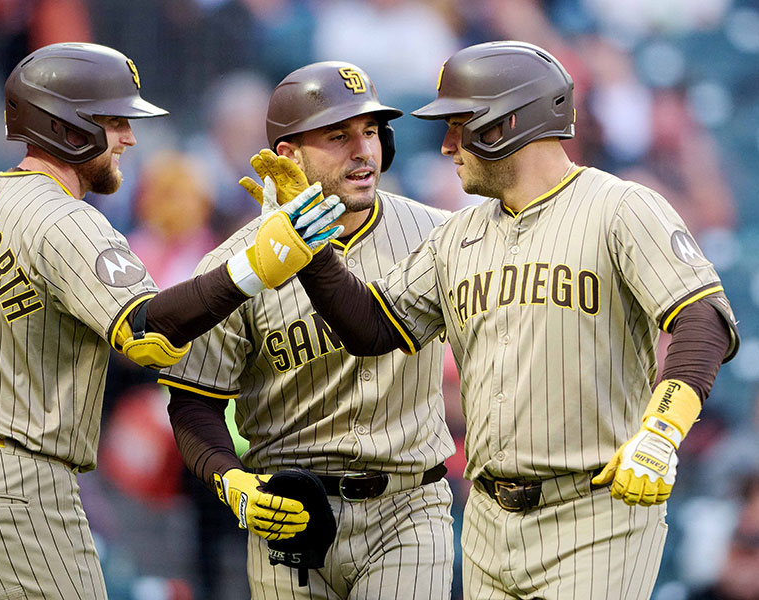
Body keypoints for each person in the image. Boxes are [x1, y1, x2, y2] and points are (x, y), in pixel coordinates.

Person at [0, 42, 343, 600]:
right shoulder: (65, 217)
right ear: (70, 130)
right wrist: (255, 265)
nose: (129, 138)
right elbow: (147, 332)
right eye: (115, 121)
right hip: (6, 492)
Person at [292, 41, 740, 600]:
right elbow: (373, 329)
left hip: (594, 514)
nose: (447, 144)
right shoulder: (457, 235)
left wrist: (661, 430)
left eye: (458, 124)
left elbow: (703, 318)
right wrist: (307, 246)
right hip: (485, 522)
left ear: (502, 125)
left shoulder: (621, 207)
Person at [157, 61, 457, 599]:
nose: (363, 151)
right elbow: (193, 402)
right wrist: (233, 481)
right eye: (338, 136)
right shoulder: (235, 266)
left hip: (409, 507)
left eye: (370, 132)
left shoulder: (437, 234)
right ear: (287, 157)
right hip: (290, 515)